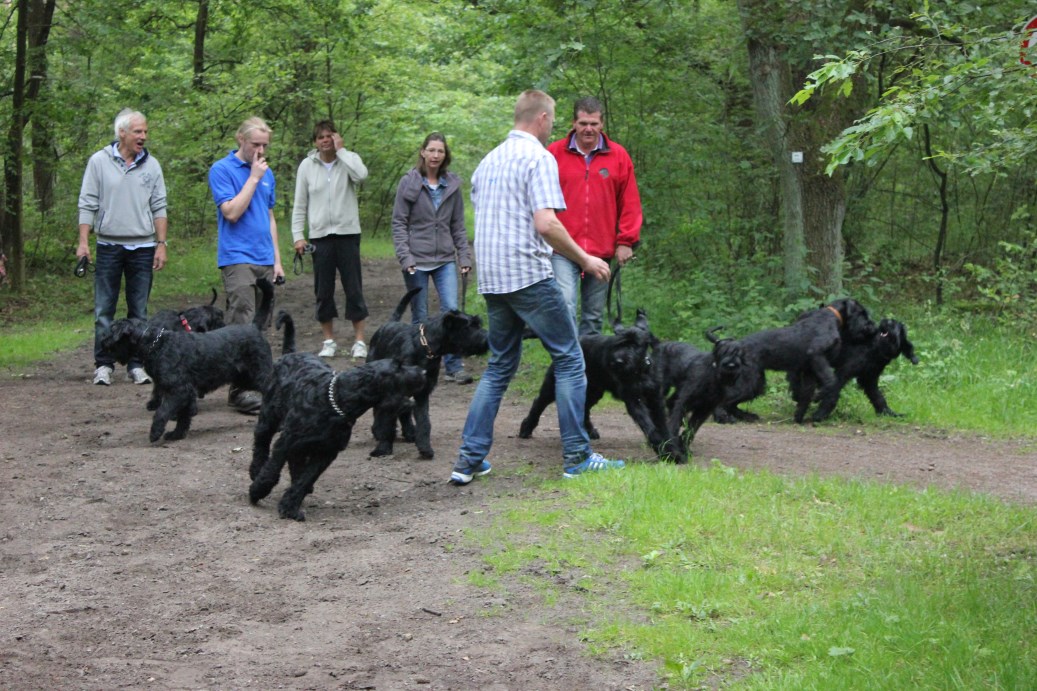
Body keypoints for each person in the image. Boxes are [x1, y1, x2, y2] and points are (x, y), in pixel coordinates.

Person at [449, 89, 626, 486]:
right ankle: (578, 457)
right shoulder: (539, 158)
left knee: (498, 367)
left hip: (492, 279)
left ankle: (469, 459)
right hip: (528, 276)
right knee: (570, 359)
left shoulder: (487, 161)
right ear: (543, 119)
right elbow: (546, 224)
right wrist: (585, 259)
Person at [77, 108, 168, 387]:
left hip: (143, 247)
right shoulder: (98, 162)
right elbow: (87, 203)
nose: (143, 136)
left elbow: (159, 206)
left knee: (139, 310)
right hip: (108, 246)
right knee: (104, 309)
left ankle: (137, 365)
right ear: (122, 133)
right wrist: (83, 243)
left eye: (145, 131)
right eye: (138, 131)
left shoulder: (152, 166)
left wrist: (161, 244)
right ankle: (103, 365)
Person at [547, 96, 642, 336]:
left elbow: (630, 202)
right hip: (563, 248)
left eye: (593, 123)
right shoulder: (553, 154)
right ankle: (568, 366)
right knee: (564, 305)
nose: (588, 129)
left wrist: (625, 241)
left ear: (602, 124)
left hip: (602, 249)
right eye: (583, 123)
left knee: (593, 316)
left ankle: (588, 370)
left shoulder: (618, 156)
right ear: (573, 123)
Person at [208, 116, 285, 413]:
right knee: (242, 320)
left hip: (264, 257)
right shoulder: (222, 170)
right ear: (240, 139)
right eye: (256, 144)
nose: (261, 150)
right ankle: (237, 390)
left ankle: (255, 384)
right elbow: (231, 212)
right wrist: (252, 177)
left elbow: (269, 217)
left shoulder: (268, 173)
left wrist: (277, 260)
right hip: (237, 256)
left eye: (265, 145)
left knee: (261, 324)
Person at [391, 132, 474, 384]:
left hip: (445, 259)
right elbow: (399, 223)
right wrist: (406, 257)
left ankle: (454, 366)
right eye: (432, 150)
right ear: (423, 152)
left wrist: (464, 256)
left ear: (445, 155)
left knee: (452, 313)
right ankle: (419, 365)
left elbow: (458, 225)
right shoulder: (409, 183)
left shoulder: (452, 185)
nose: (436, 155)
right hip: (417, 259)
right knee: (421, 317)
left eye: (440, 151)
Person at [291, 120, 370, 359]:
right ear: (315, 142)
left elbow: (362, 176)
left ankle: (359, 340)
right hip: (320, 237)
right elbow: (300, 203)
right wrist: (298, 236)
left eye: (329, 136)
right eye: (320, 137)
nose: (325, 140)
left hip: (347, 233)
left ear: (336, 137)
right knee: (323, 290)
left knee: (353, 287)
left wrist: (342, 151)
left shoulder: (348, 160)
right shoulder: (307, 165)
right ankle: (328, 340)